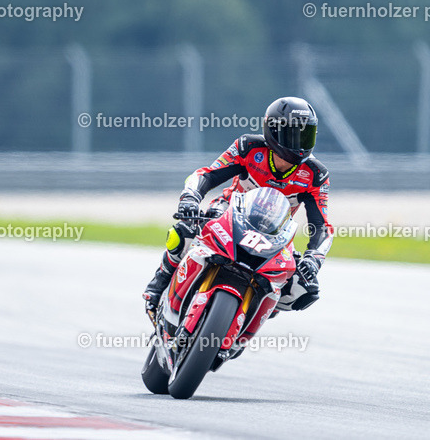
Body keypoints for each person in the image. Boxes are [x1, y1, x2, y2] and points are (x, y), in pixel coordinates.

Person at [143, 96, 333, 314]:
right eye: (293, 133)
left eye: (305, 134)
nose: (300, 142)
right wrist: (190, 197)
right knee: (185, 231)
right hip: (228, 212)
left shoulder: (316, 174)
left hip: (276, 232)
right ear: (273, 130)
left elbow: (322, 226)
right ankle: (157, 286)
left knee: (302, 287)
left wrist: (313, 259)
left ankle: (246, 324)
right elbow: (208, 175)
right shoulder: (249, 146)